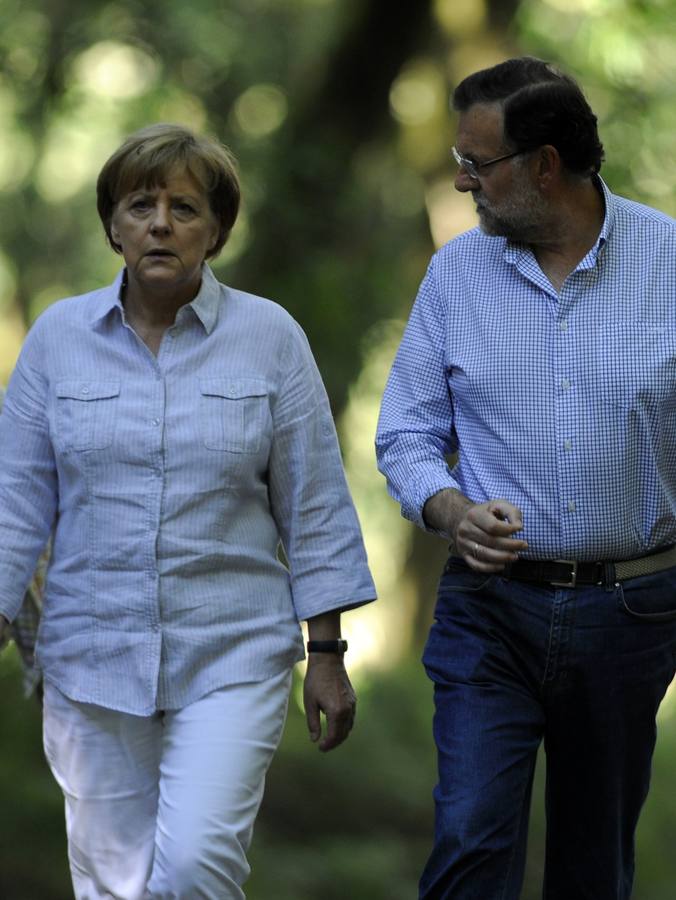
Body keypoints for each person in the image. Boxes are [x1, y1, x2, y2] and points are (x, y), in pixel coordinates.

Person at [0, 123, 376, 900]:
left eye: (184, 207)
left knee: (198, 868)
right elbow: (15, 498)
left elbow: (313, 501)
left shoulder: (270, 337)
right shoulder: (57, 340)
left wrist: (329, 653)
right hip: (89, 655)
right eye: (141, 205)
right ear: (113, 225)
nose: (160, 223)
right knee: (112, 884)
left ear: (218, 231)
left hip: (231, 654)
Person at [376, 56, 676, 900]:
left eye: (478, 164)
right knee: (470, 837)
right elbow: (404, 431)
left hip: (631, 615)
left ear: (546, 164)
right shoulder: (455, 274)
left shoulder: (669, 260)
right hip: (487, 610)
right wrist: (449, 508)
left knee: (593, 864)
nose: (463, 181)